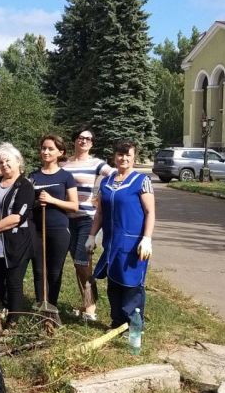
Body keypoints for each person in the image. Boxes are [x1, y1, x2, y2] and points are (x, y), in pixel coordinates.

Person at [87, 139, 155, 329]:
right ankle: (117, 322)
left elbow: (150, 212)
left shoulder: (142, 181)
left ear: (134, 158)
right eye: (120, 154)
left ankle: (134, 327)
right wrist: (92, 236)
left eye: (128, 155)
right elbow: (100, 212)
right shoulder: (106, 181)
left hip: (134, 244)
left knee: (131, 284)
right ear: (114, 157)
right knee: (114, 282)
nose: (123, 158)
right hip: (112, 243)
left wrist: (147, 239)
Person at [0, 143, 35, 323]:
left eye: (8, 161)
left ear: (18, 162)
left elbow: (17, 217)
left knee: (14, 282)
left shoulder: (25, 186)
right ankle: (3, 307)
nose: (4, 165)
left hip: (15, 241)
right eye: (1, 162)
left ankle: (13, 321)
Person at [61, 126, 113, 320]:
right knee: (76, 263)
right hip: (66, 218)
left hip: (87, 219)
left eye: (88, 139)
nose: (83, 141)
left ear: (92, 143)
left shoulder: (96, 163)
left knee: (83, 262)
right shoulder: (64, 164)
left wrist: (100, 195)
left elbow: (115, 176)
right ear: (74, 140)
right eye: (80, 138)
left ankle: (91, 307)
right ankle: (86, 303)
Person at [29, 134, 79, 307]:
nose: (46, 152)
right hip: (36, 229)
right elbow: (27, 202)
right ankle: (40, 304)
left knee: (54, 271)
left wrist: (51, 200)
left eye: (50, 149)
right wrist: (36, 201)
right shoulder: (34, 176)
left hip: (58, 230)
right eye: (43, 148)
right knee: (38, 270)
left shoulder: (66, 177)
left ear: (60, 152)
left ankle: (52, 307)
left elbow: (74, 206)